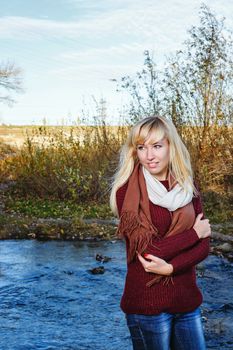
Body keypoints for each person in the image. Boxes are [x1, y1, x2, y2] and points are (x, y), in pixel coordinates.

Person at [110, 115, 211, 350]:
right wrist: (194, 234)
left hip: (187, 302)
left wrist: (171, 267)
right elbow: (146, 252)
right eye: (142, 147)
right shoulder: (127, 191)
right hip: (147, 306)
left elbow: (205, 246)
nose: (149, 155)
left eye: (157, 146)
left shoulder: (187, 185)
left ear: (170, 146)